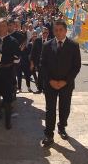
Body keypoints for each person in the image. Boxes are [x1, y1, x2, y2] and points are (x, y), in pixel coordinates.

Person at [41, 19, 81, 147]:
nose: (58, 33)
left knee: (65, 108)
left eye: (61, 30)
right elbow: (42, 65)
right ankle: (49, 134)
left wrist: (65, 81)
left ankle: (62, 126)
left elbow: (76, 66)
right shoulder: (47, 45)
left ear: (65, 30)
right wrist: (50, 80)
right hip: (50, 84)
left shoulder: (74, 45)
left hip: (66, 84)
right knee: (50, 110)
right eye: (56, 30)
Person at [0, 18, 20, 129]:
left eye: (4, 26)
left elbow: (17, 57)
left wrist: (1, 57)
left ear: (7, 27)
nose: (2, 28)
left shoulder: (13, 41)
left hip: (8, 72)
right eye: (0, 26)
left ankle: (8, 120)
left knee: (7, 96)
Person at [30, 27, 49, 94]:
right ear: (42, 33)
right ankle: (40, 89)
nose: (45, 34)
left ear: (48, 34)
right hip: (39, 62)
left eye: (46, 33)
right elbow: (33, 52)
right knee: (40, 76)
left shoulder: (50, 41)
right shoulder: (37, 40)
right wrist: (32, 63)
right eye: (44, 33)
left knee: (47, 76)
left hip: (48, 63)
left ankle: (46, 89)